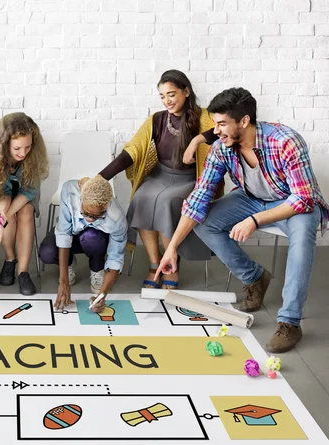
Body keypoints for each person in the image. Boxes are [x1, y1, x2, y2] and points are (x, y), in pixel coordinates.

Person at [156, 87, 329, 353]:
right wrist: (171, 250)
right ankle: (254, 278)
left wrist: (255, 221)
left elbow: (303, 198)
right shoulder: (221, 147)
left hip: (291, 203)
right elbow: (197, 200)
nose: (216, 130)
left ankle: (289, 322)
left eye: (223, 123)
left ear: (244, 121)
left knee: (303, 238)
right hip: (250, 198)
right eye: (215, 123)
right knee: (205, 221)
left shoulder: (285, 141)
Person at [99, 69, 221, 290]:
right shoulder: (156, 119)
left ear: (186, 91)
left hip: (190, 180)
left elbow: (221, 129)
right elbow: (133, 151)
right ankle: (156, 264)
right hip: (160, 175)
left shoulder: (205, 117)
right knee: (142, 197)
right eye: (162, 96)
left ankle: (171, 265)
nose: (167, 101)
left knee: (166, 202)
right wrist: (102, 177)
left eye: (171, 94)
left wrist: (196, 142)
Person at [0, 112, 49, 296]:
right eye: (17, 148)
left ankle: (22, 271)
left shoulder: (33, 155)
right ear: (4, 143)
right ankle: (10, 259)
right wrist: (2, 212)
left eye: (28, 147)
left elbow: (30, 191)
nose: (23, 153)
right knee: (8, 211)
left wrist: (2, 217)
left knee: (25, 212)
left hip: (24, 194)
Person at [39, 175, 128, 312]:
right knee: (47, 253)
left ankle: (97, 268)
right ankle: (68, 264)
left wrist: (102, 296)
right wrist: (64, 282)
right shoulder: (69, 191)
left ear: (106, 205)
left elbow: (115, 259)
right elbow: (64, 233)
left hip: (95, 240)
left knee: (91, 237)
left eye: (97, 216)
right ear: (81, 199)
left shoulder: (117, 218)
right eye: (85, 212)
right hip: (72, 234)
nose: (90, 219)